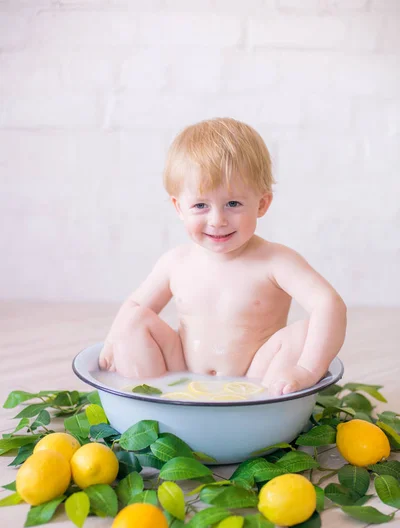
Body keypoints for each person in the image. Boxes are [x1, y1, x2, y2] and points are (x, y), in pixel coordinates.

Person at [99, 118, 346, 396]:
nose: (217, 220)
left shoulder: (276, 261)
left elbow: (329, 304)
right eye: (201, 205)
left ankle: (279, 394)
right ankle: (146, 398)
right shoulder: (175, 262)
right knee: (132, 319)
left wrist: (307, 369)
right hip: (181, 376)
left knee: (303, 332)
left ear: (262, 204)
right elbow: (135, 304)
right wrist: (112, 341)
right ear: (179, 207)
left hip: (257, 379)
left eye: (233, 203)